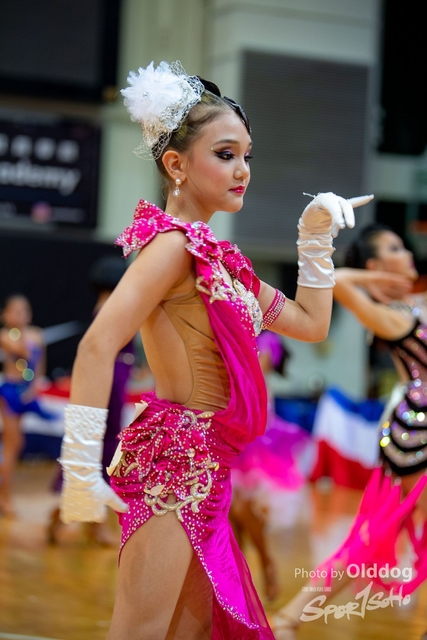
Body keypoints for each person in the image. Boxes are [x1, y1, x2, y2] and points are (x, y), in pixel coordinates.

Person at [58, 60, 371, 639]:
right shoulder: (171, 247)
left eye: (247, 155)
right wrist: (79, 469)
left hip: (210, 468)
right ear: (176, 165)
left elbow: (310, 323)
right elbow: (98, 343)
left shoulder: (223, 262)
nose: (243, 169)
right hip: (173, 466)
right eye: (226, 154)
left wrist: (313, 241)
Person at [272, 223, 427, 639]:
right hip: (419, 433)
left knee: (372, 536)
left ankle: (290, 616)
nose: (407, 254)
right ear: (374, 265)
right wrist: (371, 281)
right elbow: (338, 281)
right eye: (394, 248)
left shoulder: (414, 305)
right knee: (373, 534)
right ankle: (289, 617)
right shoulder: (392, 317)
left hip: (412, 427)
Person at [48, 256, 135, 545]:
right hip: (109, 386)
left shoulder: (108, 306)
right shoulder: (112, 307)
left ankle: (87, 525)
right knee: (100, 452)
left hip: (114, 382)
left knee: (101, 453)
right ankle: (75, 522)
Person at [230, 331, 311, 601]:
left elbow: (256, 369)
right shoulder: (240, 332)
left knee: (241, 509)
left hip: (254, 430)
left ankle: (266, 564)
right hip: (232, 428)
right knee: (230, 516)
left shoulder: (267, 339)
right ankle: (238, 583)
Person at [0, 294, 53, 516]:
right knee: (11, 445)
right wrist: (20, 329)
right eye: (16, 311)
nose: (21, 315)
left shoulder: (37, 334)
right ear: (6, 315)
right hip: (10, 393)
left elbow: (39, 365)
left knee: (17, 443)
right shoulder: (6, 335)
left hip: (27, 392)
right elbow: (23, 352)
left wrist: (34, 388)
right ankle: (4, 497)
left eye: (25, 310)